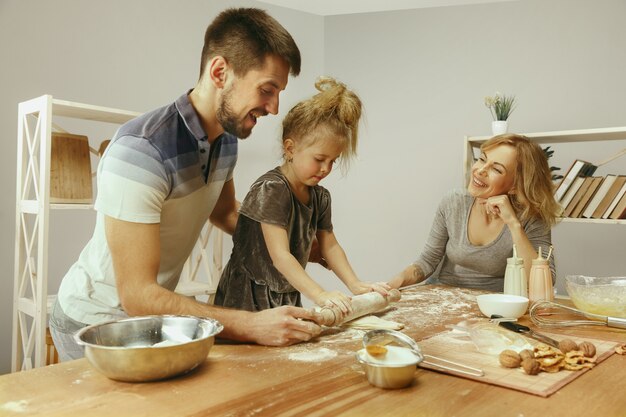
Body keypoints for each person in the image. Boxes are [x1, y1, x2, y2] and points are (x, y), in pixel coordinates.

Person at [49, 7, 324, 362]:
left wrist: (289, 241)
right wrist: (251, 325)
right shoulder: (142, 151)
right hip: (92, 322)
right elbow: (138, 294)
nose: (273, 108)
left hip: (145, 317)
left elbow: (225, 213)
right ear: (220, 72)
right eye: (267, 90)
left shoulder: (226, 141)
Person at [215, 77, 390, 314]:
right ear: (290, 148)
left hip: (285, 291)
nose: (326, 169)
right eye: (319, 159)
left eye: (332, 161)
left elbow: (330, 246)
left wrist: (355, 284)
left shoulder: (320, 197)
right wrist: (320, 294)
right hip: (247, 298)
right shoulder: (272, 190)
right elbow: (281, 256)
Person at [388, 134, 560, 292]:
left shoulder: (530, 217)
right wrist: (395, 282)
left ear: (515, 185)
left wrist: (513, 224)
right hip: (441, 298)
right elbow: (427, 262)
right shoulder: (454, 202)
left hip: (492, 307)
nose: (480, 170)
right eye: (482, 159)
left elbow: (544, 281)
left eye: (497, 169)